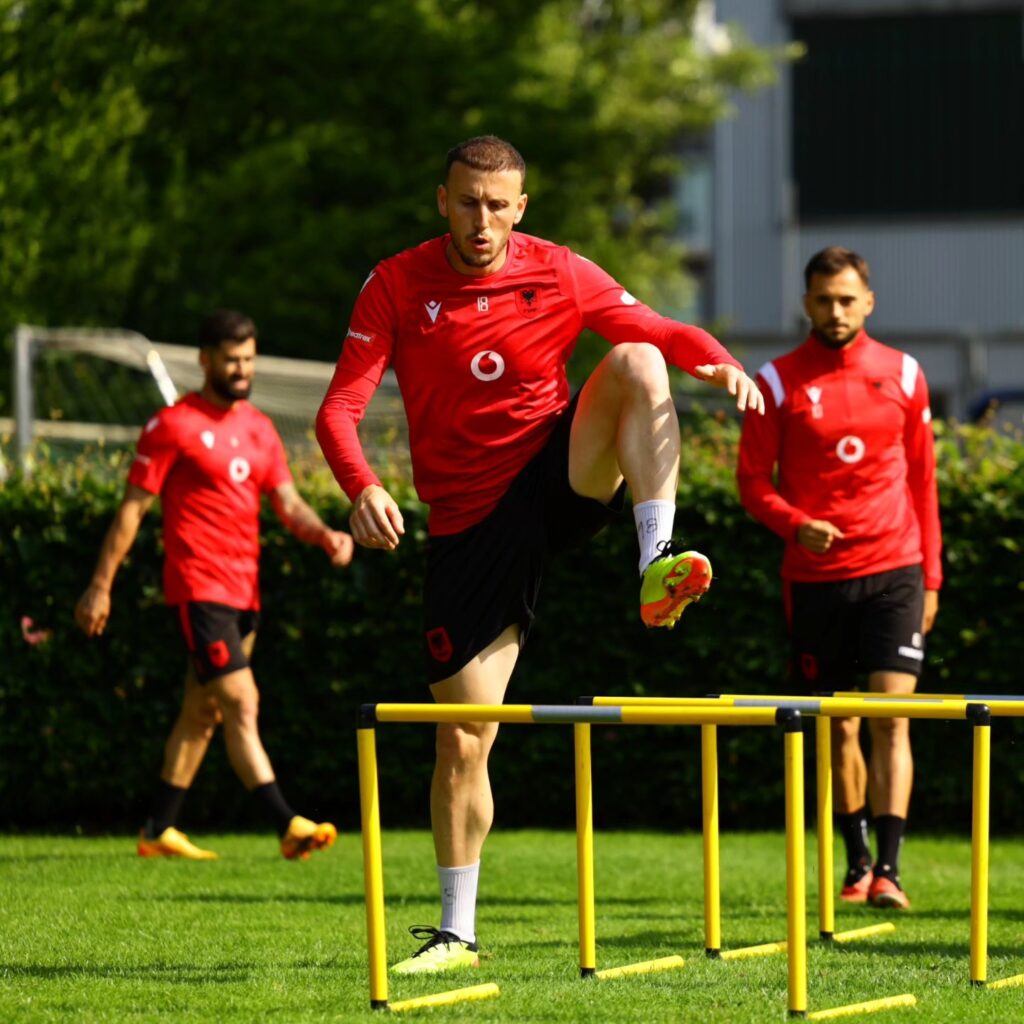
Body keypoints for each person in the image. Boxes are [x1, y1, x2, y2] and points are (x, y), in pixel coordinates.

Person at [316, 135, 764, 972]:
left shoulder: (556, 269)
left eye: (499, 206)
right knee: (464, 741)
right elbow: (340, 407)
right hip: (467, 527)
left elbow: (656, 326)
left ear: (521, 208)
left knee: (635, 360)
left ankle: (655, 560)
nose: (482, 222)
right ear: (441, 201)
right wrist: (361, 484)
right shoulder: (396, 283)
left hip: (555, 478)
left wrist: (720, 360)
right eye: (468, 203)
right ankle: (457, 934)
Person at [75, 309, 354, 861]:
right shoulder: (171, 425)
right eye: (231, 360)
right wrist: (99, 586)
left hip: (244, 594)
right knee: (241, 703)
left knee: (201, 713)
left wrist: (325, 536)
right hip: (198, 589)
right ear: (205, 360)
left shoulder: (260, 429)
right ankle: (287, 824)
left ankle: (158, 830)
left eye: (249, 360)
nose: (242, 370)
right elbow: (132, 512)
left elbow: (288, 502)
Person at [737, 247, 942, 911]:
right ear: (807, 304)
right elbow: (750, 483)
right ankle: (855, 865)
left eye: (848, 299)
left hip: (896, 569)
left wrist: (931, 577)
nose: (836, 311)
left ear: (869, 302)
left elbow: (923, 482)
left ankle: (891, 870)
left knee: (892, 719)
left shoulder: (905, 374)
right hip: (816, 577)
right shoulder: (776, 381)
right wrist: (796, 525)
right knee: (842, 725)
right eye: (824, 300)